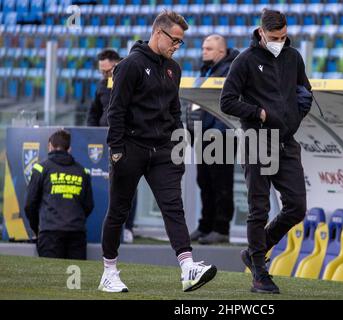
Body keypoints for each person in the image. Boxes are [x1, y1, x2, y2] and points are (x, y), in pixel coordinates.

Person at [99, 10, 217, 293]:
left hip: (163, 150)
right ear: (158, 33)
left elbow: (174, 110)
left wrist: (178, 143)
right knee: (118, 211)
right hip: (130, 147)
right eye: (175, 40)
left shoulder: (173, 69)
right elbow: (116, 111)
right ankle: (109, 272)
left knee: (173, 207)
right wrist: (116, 150)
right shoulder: (129, 65)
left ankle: (188, 267)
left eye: (181, 43)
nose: (177, 46)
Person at [220, 9, 311, 294]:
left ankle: (255, 250)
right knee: (258, 209)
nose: (280, 41)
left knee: (297, 207)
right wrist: (258, 113)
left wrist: (296, 116)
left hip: (286, 142)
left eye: (284, 36)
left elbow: (304, 91)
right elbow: (227, 101)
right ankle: (259, 271)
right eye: (274, 37)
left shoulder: (293, 57)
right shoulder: (244, 61)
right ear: (261, 33)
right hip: (257, 141)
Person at [189, 35, 239, 245]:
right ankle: (205, 225)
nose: (204, 52)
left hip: (222, 135)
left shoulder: (231, 70)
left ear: (221, 52)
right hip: (203, 134)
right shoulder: (206, 69)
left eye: (208, 49)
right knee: (204, 182)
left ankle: (221, 228)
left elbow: (230, 105)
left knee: (221, 183)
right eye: (203, 48)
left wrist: (218, 132)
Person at [87, 48, 136, 244]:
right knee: (107, 185)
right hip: (102, 140)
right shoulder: (101, 86)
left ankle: (128, 227)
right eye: (102, 71)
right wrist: (91, 132)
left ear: (117, 64)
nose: (105, 75)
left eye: (108, 71)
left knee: (128, 184)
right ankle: (106, 224)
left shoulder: (131, 81)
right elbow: (93, 112)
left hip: (125, 141)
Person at [24, 129, 94, 260]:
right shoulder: (82, 171)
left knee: (50, 278)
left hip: (49, 233)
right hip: (77, 234)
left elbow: (30, 204)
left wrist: (37, 227)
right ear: (69, 149)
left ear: (50, 146)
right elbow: (89, 205)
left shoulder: (41, 168)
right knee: (74, 280)